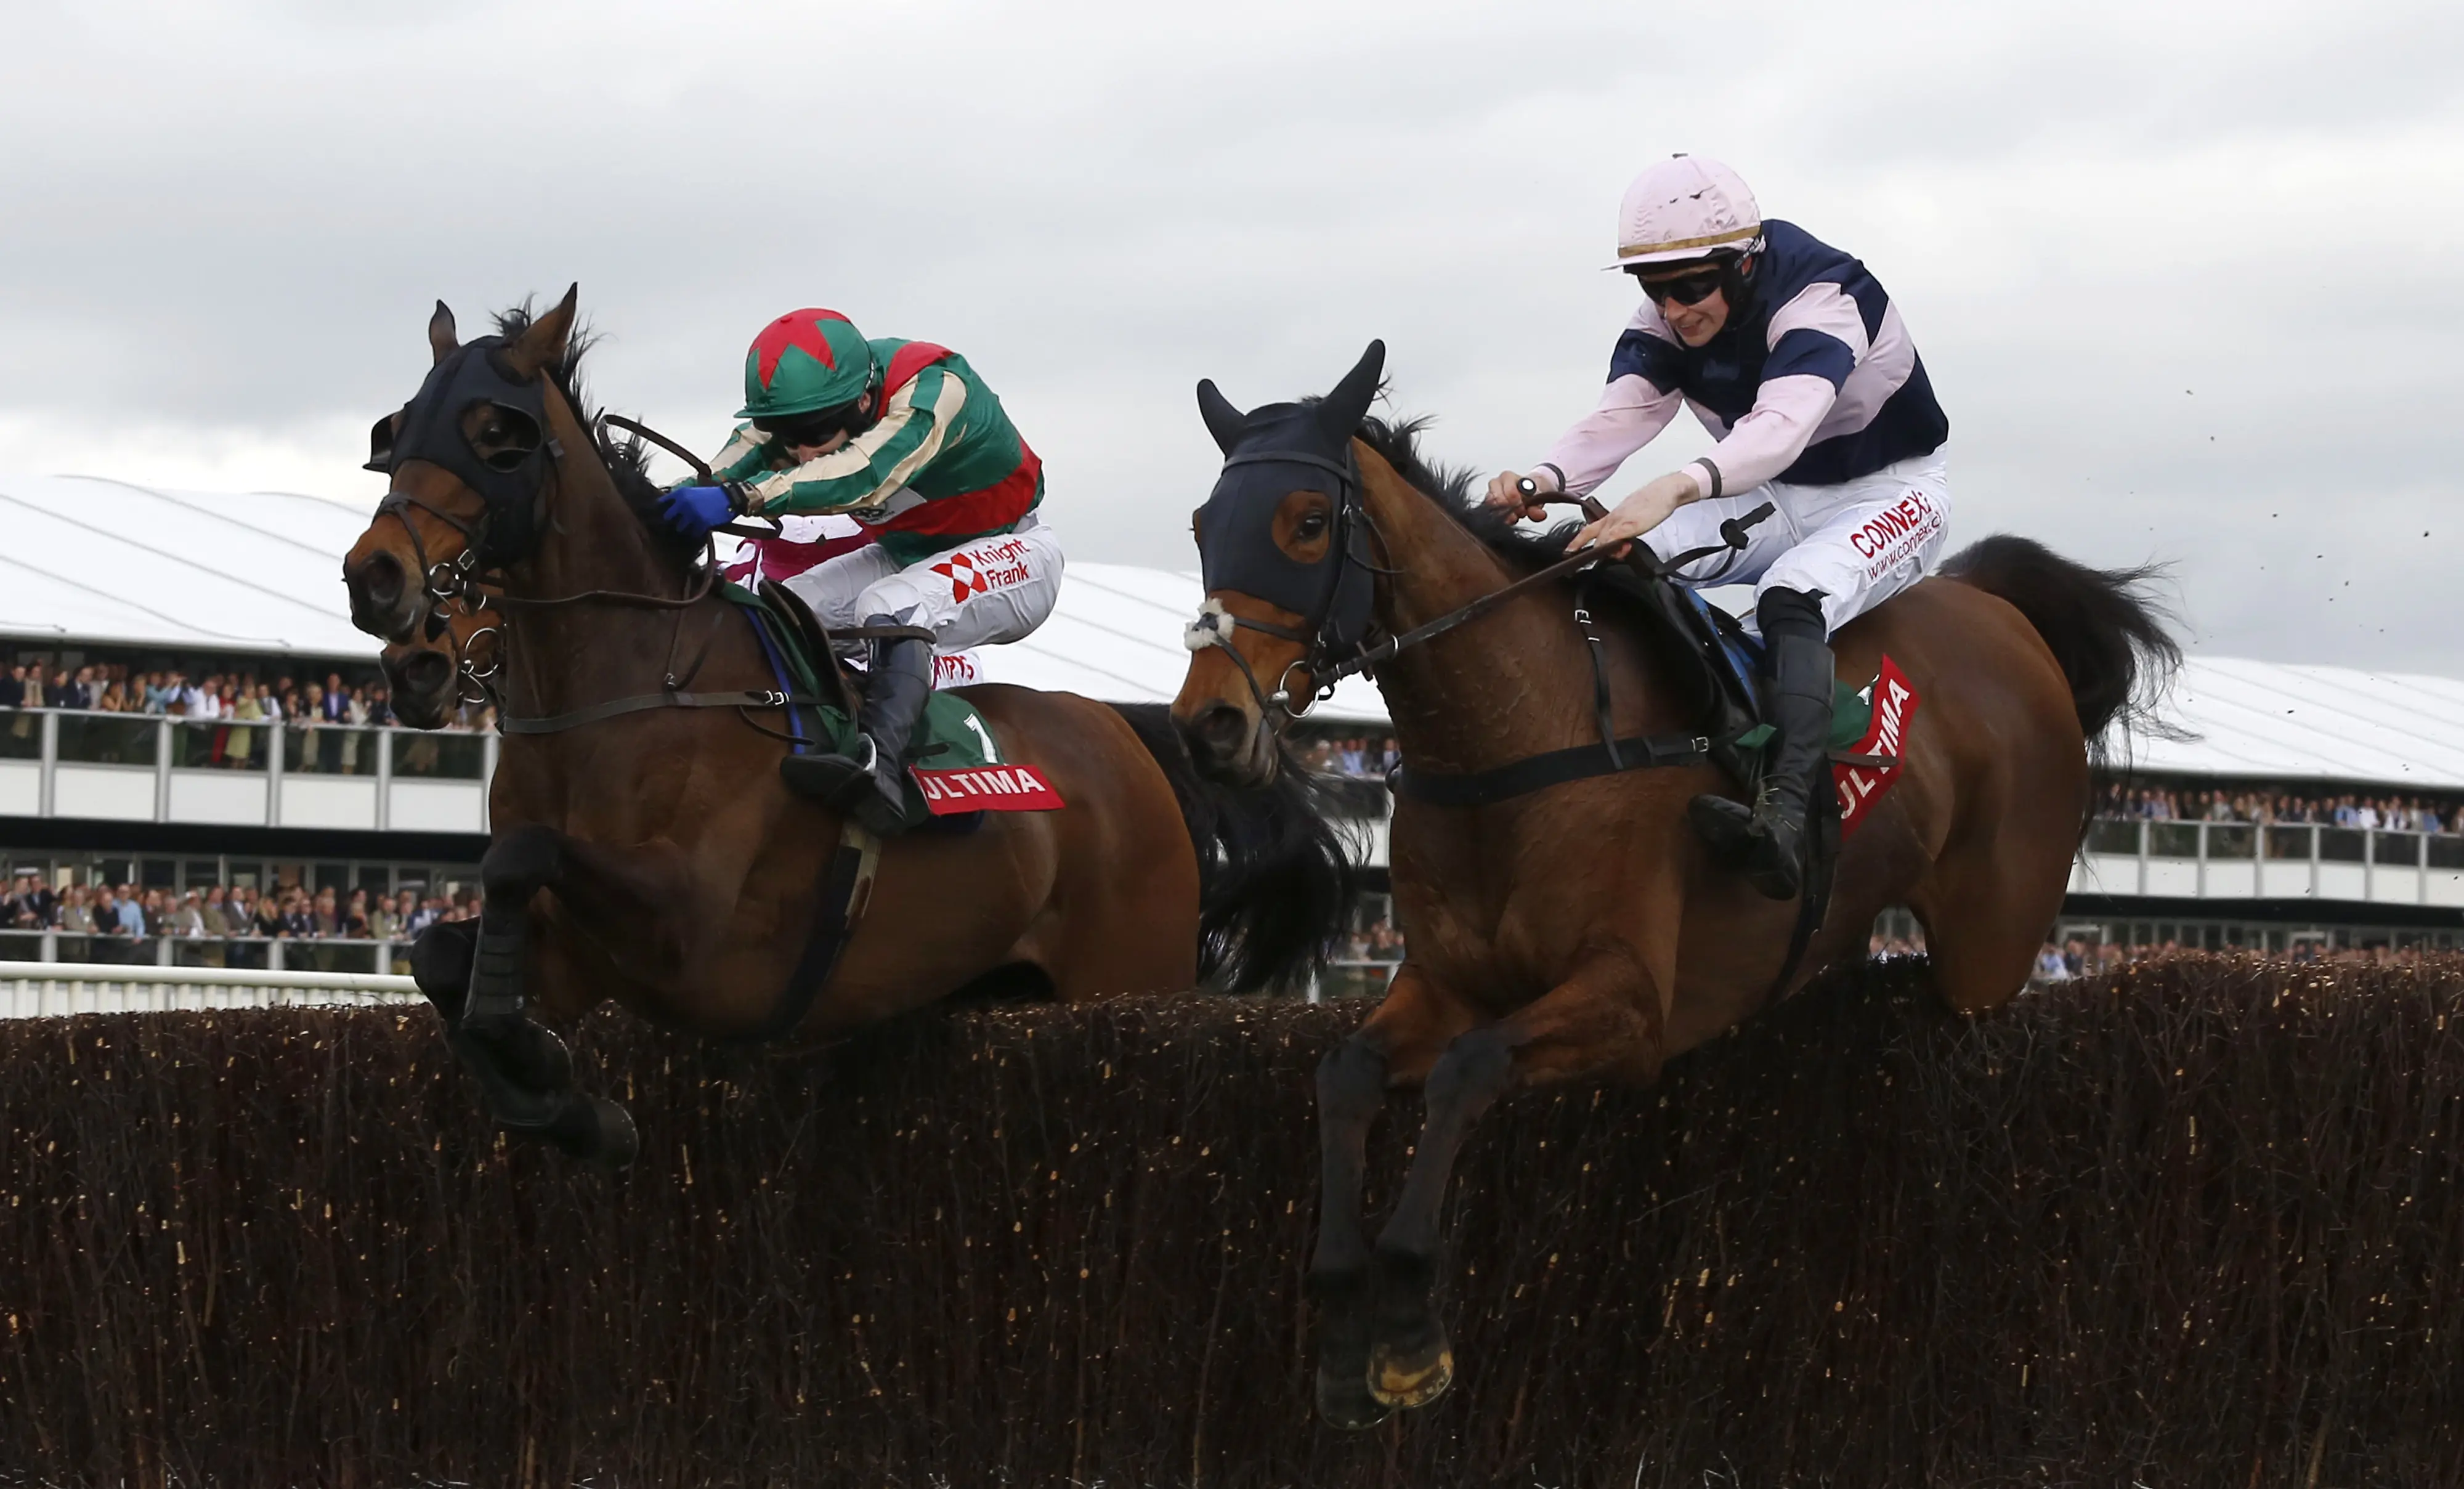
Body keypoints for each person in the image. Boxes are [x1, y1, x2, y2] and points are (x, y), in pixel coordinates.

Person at [1486, 155, 1950, 899]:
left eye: (1691, 287)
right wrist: (1542, 479)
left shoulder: (1825, 296)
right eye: (1654, 289)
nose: (1673, 309)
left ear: (1743, 264)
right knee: (1616, 556)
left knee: (1790, 593)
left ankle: (1787, 814)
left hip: (1890, 490)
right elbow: (1623, 414)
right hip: (1776, 491)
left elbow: (1779, 428)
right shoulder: (1672, 312)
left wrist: (1673, 486)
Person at [658, 308, 1063, 833]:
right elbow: (723, 467)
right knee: (783, 606)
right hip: (908, 554)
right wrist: (656, 504)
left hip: (1016, 551)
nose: (802, 451)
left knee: (887, 606)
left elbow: (863, 473)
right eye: (787, 435)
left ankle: (882, 770)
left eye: (816, 432)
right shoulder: (817, 403)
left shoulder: (934, 390)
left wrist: (743, 496)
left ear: (865, 401)